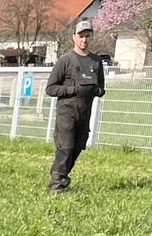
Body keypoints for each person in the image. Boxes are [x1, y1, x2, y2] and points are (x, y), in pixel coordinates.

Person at [45, 20, 106, 192]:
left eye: (88, 36)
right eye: (81, 36)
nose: (84, 40)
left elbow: (102, 87)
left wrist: (97, 90)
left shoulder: (96, 62)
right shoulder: (65, 61)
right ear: (74, 37)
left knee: (78, 147)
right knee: (66, 147)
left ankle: (60, 177)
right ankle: (57, 187)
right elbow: (50, 88)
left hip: (85, 112)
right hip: (67, 111)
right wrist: (73, 89)